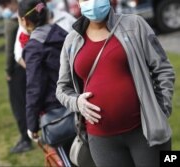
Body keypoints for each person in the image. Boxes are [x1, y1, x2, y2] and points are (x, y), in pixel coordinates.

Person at [56, 0, 175, 167]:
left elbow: (163, 69)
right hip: (102, 140)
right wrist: (77, 102)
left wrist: (161, 110)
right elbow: (62, 88)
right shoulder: (72, 40)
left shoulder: (135, 24)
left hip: (146, 132)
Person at [18, 0, 73, 165]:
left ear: (24, 21)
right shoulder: (65, 35)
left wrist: (32, 124)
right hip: (82, 105)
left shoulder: (34, 47)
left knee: (69, 160)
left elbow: (34, 89)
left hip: (59, 116)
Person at [0, 0, 32, 153]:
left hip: (17, 68)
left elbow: (9, 51)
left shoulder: (12, 23)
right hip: (29, 64)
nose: (4, 10)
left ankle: (25, 138)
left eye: (5, 6)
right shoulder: (29, 14)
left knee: (18, 105)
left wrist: (7, 71)